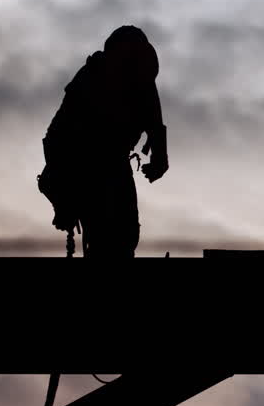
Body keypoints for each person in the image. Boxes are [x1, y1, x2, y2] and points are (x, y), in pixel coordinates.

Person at [39, 24, 168, 257]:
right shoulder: (91, 80)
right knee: (106, 238)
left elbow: (155, 123)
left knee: (124, 237)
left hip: (112, 163)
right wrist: (65, 197)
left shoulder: (143, 76)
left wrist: (160, 157)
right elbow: (57, 139)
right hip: (84, 165)